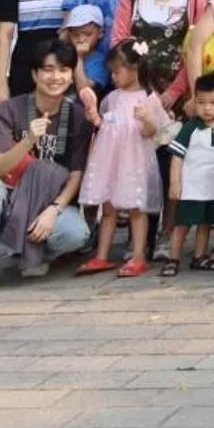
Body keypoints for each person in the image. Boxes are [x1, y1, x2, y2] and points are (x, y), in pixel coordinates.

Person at [0, 39, 93, 296]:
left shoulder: (77, 117)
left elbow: (77, 174)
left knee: (76, 234)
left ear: (71, 76)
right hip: (9, 196)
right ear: (34, 74)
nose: (55, 77)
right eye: (47, 69)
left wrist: (54, 210)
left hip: (49, 200)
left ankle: (34, 254)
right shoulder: (9, 111)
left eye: (63, 70)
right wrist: (28, 142)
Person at [77, 42, 165, 278]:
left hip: (134, 159)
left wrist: (146, 119)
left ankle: (138, 255)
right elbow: (106, 125)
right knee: (108, 207)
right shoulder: (111, 98)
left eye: (117, 71)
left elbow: (151, 133)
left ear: (135, 68)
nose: (113, 77)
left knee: (136, 208)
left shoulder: (148, 97)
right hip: (110, 159)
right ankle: (101, 256)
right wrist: (94, 116)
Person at [108, 0, 202, 112]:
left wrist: (174, 92)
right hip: (135, 94)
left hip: (177, 99)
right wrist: (142, 88)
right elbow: (118, 44)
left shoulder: (194, 0)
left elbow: (198, 50)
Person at [163, 70, 214, 276]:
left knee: (206, 223)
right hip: (191, 187)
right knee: (182, 224)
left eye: (213, 102)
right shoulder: (190, 128)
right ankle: (173, 258)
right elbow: (177, 157)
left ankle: (200, 256)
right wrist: (175, 183)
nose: (206, 108)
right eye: (201, 102)